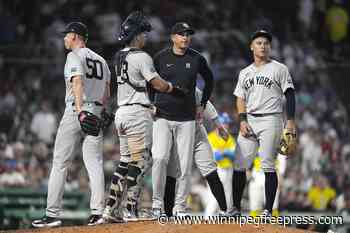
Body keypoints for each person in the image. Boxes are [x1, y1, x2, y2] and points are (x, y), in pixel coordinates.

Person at [102, 11, 187, 222]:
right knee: (141, 161)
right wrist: (174, 89)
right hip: (137, 113)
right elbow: (156, 83)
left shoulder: (119, 55)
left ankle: (110, 210)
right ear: (136, 35)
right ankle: (130, 210)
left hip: (122, 112)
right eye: (143, 34)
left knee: (125, 162)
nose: (146, 37)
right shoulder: (142, 57)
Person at [32, 22, 111, 227]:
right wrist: (101, 111)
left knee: (60, 163)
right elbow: (107, 92)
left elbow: (77, 82)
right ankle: (98, 213)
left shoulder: (74, 55)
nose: (64, 38)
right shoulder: (102, 60)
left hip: (78, 111)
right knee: (94, 164)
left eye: (66, 35)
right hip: (96, 110)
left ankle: (52, 215)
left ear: (75, 36)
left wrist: (80, 111)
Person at [151, 22, 214, 216]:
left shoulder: (196, 58)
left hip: (187, 119)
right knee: (160, 158)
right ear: (172, 37)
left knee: (185, 165)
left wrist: (202, 103)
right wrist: (150, 102)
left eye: (188, 34)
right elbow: (149, 81)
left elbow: (209, 79)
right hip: (162, 116)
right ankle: (156, 203)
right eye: (181, 34)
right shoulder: (160, 58)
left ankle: (180, 206)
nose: (185, 38)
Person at [232, 30, 296, 217]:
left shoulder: (279, 68)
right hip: (249, 120)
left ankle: (268, 210)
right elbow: (240, 98)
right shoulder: (245, 73)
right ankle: (235, 209)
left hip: (271, 119)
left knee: (268, 165)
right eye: (259, 42)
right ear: (252, 46)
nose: (263, 45)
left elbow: (290, 94)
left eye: (266, 43)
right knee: (239, 164)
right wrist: (242, 120)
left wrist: (290, 121)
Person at [163, 88, 228, 217]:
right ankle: (170, 212)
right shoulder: (166, 88)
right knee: (174, 174)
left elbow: (206, 103)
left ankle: (224, 210)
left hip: (197, 131)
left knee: (211, 171)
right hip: (177, 134)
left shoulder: (190, 86)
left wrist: (219, 126)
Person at [206, 112, 236, 215]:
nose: (226, 125)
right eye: (224, 123)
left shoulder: (229, 138)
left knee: (228, 199)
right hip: (215, 170)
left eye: (227, 123)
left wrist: (223, 153)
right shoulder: (210, 137)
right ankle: (207, 220)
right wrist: (226, 153)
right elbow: (214, 157)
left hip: (228, 170)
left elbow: (233, 155)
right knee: (214, 198)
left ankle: (224, 225)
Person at [248, 153, 287, 217]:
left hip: (272, 176)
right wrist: (248, 170)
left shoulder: (277, 145)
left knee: (273, 206)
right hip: (256, 176)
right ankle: (254, 225)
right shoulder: (256, 144)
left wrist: (280, 177)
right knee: (254, 206)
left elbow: (281, 159)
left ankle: (273, 225)